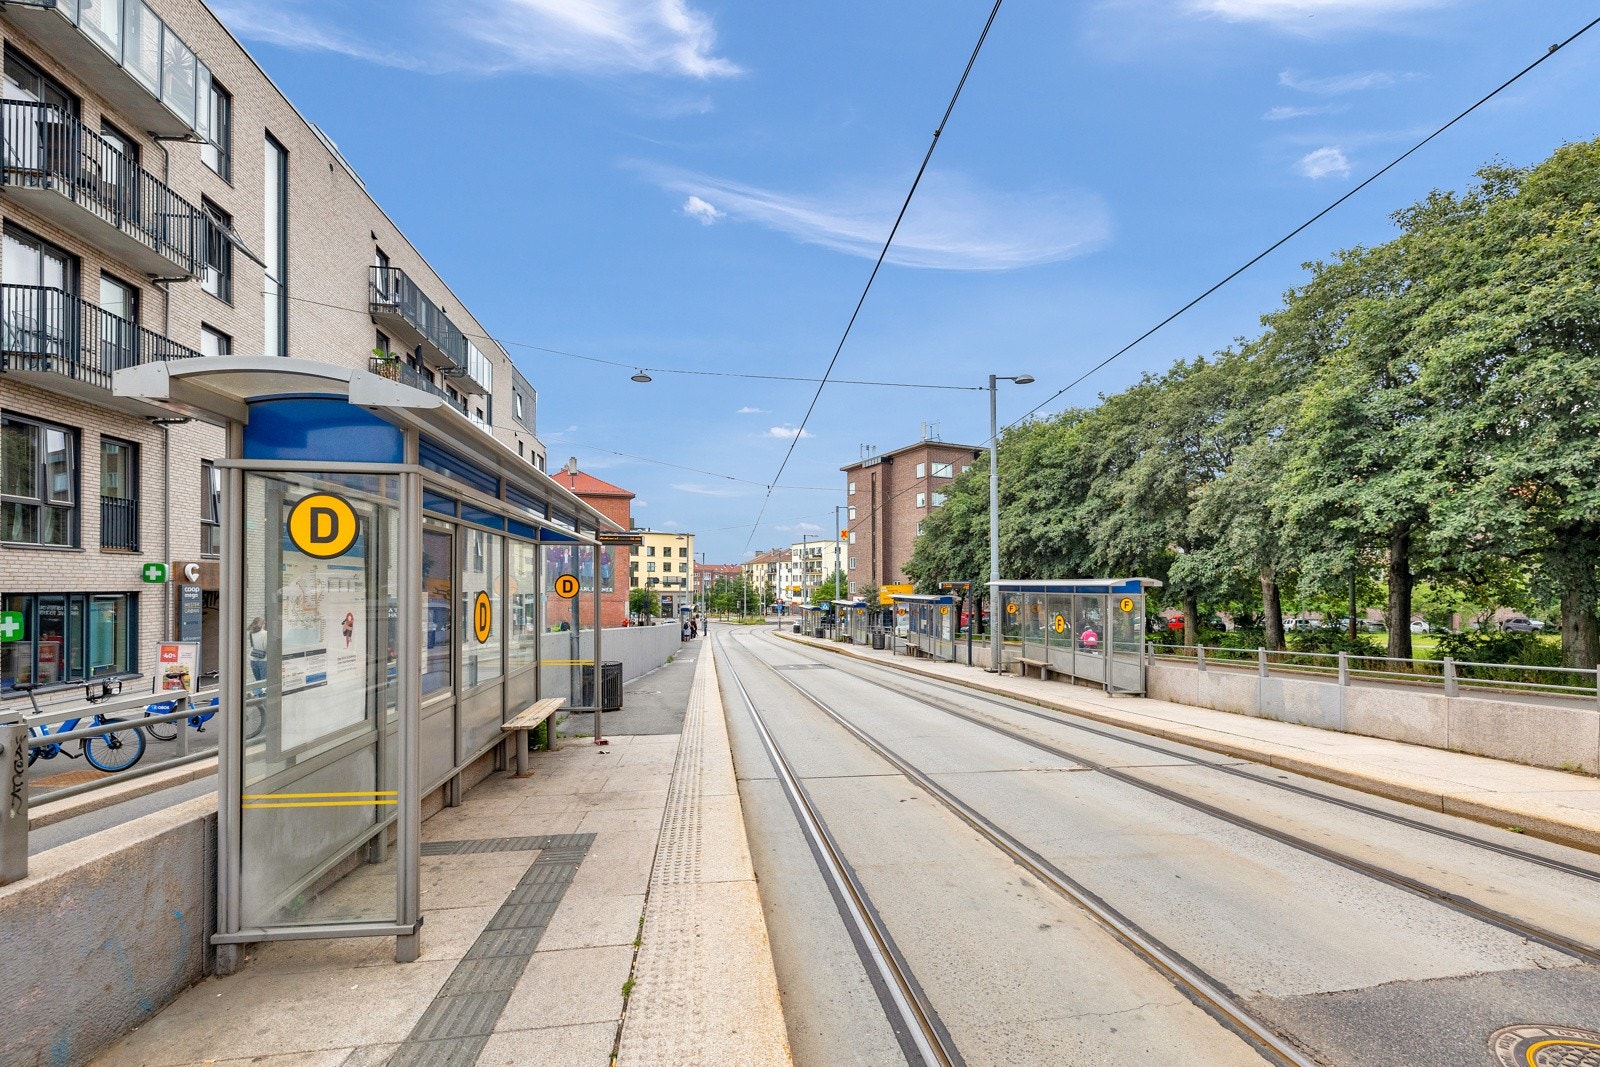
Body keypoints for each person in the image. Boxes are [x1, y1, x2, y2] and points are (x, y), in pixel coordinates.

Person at [247, 617, 268, 682]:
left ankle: (257, 691)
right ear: (262, 624)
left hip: (253, 659)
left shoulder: (250, 633)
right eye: (264, 624)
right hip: (263, 659)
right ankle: (260, 692)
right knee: (263, 681)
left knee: (257, 681)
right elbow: (265, 646)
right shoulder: (265, 633)